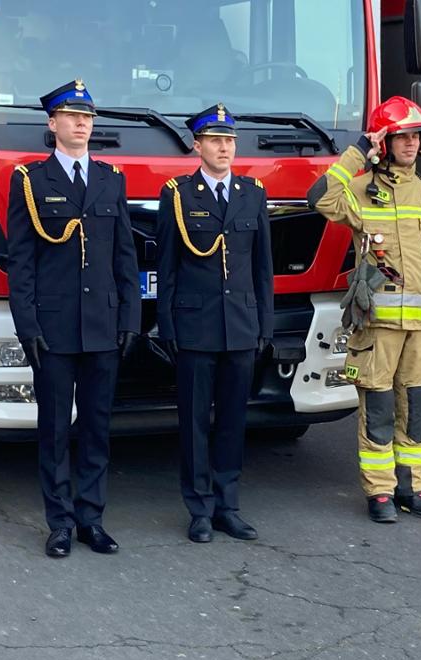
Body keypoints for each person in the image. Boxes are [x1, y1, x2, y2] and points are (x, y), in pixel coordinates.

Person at [6, 79, 140, 558]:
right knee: (55, 430)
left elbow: (124, 255)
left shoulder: (110, 179)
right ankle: (59, 522)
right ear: (53, 123)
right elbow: (21, 262)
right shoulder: (31, 181)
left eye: (87, 117)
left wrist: (130, 318)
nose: (82, 123)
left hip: (103, 326)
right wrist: (27, 326)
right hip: (54, 328)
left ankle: (91, 519)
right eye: (72, 116)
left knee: (98, 429)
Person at [309, 96, 421, 523]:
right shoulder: (360, 190)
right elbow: (319, 196)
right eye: (401, 136)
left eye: (416, 136)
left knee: (417, 411)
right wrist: (359, 151)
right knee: (379, 411)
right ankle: (380, 493)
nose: (410, 144)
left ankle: (413, 488)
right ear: (384, 142)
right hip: (377, 329)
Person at [155, 104, 272, 543]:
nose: (224, 148)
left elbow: (262, 268)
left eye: (229, 141)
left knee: (232, 421)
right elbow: (167, 268)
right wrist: (167, 326)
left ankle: (228, 506)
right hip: (195, 327)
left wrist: (264, 325)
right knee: (194, 423)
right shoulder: (178, 195)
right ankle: (199, 508)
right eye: (215, 141)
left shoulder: (252, 193)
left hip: (240, 325)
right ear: (197, 145)